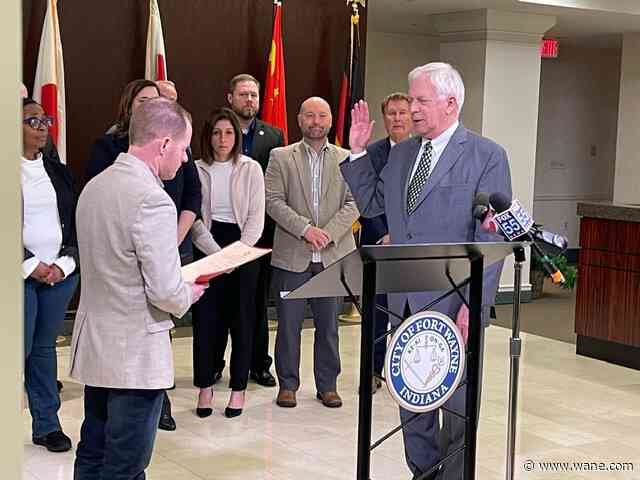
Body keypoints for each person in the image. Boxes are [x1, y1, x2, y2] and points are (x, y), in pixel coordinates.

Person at [341, 62, 512, 480]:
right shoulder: (401, 155)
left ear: (451, 103)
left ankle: (453, 476)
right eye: (410, 99)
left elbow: (491, 238)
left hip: (456, 305)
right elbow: (375, 206)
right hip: (404, 302)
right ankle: (423, 472)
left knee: (457, 403)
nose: (412, 109)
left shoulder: (486, 155)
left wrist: (476, 302)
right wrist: (359, 152)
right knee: (413, 399)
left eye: (421, 100)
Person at [71, 97, 207, 479]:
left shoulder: (95, 187)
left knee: (93, 452)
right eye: (183, 149)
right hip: (134, 354)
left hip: (97, 345)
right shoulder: (153, 199)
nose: (184, 160)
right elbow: (165, 290)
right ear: (163, 144)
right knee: (126, 467)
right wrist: (189, 292)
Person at [265, 97, 359, 409]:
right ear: (299, 119)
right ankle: (287, 385)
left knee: (330, 326)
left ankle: (328, 385)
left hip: (334, 256)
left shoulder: (347, 158)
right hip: (293, 254)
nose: (315, 121)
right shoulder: (280, 157)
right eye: (309, 116)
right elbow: (273, 200)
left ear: (331, 120)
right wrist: (306, 230)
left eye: (322, 115)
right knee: (288, 326)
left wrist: (327, 234)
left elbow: (354, 202)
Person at [190, 107, 265, 418]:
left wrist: (237, 254)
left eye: (229, 133)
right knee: (207, 321)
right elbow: (191, 218)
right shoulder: (194, 169)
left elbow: (256, 218)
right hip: (207, 244)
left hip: (243, 247)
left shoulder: (251, 168)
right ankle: (205, 387)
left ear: (238, 136)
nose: (223, 139)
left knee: (243, 320)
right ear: (208, 136)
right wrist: (216, 255)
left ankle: (238, 389)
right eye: (217, 133)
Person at [22, 98, 79, 452]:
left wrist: (64, 264)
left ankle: (47, 425)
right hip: (19, 276)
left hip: (59, 275)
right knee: (18, 349)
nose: (42, 127)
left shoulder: (59, 171)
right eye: (32, 121)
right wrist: (30, 264)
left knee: (43, 350)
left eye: (45, 120)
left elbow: (76, 227)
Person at [224, 73, 285, 388]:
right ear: (230, 97)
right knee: (222, 300)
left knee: (257, 301)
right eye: (243, 94)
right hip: (222, 231)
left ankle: (258, 364)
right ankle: (216, 359)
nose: (249, 100)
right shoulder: (218, 132)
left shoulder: (273, 136)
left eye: (254, 95)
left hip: (260, 232)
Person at [360, 92, 412, 393]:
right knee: (377, 314)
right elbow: (366, 199)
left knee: (407, 314)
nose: (397, 118)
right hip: (378, 246)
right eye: (391, 113)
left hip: (410, 248)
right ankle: (372, 372)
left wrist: (400, 234)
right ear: (384, 118)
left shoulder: (423, 151)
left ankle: (404, 373)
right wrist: (384, 235)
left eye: (402, 113)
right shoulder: (371, 153)